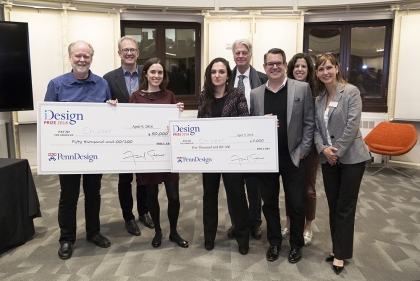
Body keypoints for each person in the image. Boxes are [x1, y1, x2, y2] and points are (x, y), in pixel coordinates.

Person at [44, 40, 114, 260]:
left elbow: (108, 117)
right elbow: (48, 121)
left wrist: (113, 109)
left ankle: (93, 232)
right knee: (69, 196)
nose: (82, 60)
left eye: (86, 56)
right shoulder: (56, 85)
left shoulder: (102, 83)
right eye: (78, 56)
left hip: (94, 152)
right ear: (70, 58)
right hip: (68, 154)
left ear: (91, 58)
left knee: (93, 194)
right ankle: (66, 239)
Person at [250, 48, 314, 263]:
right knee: (269, 203)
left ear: (285, 65)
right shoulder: (256, 94)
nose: (274, 67)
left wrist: (303, 150)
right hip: (267, 158)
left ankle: (296, 245)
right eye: (270, 64)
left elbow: (309, 122)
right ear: (264, 67)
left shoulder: (302, 89)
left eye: (278, 63)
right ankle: (275, 242)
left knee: (296, 203)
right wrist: (261, 123)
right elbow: (252, 127)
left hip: (293, 157)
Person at [313, 53, 370, 275]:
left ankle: (340, 254)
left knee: (345, 207)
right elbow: (317, 129)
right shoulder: (319, 99)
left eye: (328, 67)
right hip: (329, 159)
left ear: (337, 68)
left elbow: (352, 125)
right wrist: (324, 150)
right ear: (317, 73)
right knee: (334, 205)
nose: (325, 72)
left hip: (352, 158)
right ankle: (338, 248)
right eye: (321, 69)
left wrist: (337, 151)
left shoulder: (351, 92)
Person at [129, 57, 188, 248]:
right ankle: (158, 232)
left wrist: (177, 112)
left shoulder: (169, 95)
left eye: (160, 72)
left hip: (167, 153)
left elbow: (172, 125)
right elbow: (129, 124)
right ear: (145, 73)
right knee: (151, 196)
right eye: (153, 72)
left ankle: (173, 231)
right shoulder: (136, 97)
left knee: (174, 197)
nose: (156, 76)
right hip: (147, 155)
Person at [198, 57, 250, 255]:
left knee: (237, 196)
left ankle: (243, 239)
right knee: (209, 196)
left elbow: (245, 122)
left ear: (228, 75)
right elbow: (199, 125)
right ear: (209, 75)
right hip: (210, 156)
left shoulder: (237, 94)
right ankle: (209, 237)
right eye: (213, 72)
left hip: (232, 156)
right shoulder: (204, 96)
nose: (217, 75)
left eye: (221, 71)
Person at [103, 36, 154, 237]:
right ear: (119, 53)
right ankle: (128, 217)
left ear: (138, 53)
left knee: (143, 179)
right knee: (125, 180)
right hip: (122, 136)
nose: (129, 53)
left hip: (144, 136)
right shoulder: (108, 78)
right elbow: (103, 104)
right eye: (125, 50)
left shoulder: (149, 73)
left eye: (133, 49)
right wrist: (109, 104)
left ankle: (144, 212)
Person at [225, 39, 267, 240]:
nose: (240, 56)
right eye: (237, 53)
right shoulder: (225, 78)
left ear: (250, 55)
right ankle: (236, 222)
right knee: (233, 185)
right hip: (231, 139)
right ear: (233, 55)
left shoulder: (263, 78)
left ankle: (254, 222)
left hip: (254, 139)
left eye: (244, 52)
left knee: (254, 185)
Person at [282, 53, 319, 245]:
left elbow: (312, 123)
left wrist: (305, 147)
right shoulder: (287, 88)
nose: (299, 70)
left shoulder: (315, 91)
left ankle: (308, 226)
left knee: (308, 189)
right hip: (291, 147)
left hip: (310, 148)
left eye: (304, 66)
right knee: (291, 189)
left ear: (309, 70)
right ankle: (288, 222)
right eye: (296, 66)